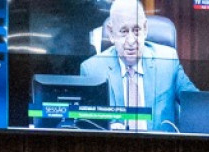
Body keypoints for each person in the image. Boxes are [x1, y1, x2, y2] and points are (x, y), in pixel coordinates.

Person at [77, 0, 199, 131]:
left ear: (145, 29)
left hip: (161, 148)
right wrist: (107, 128)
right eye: (124, 31)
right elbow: (84, 124)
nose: (131, 41)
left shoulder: (167, 62)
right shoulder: (92, 70)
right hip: (114, 149)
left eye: (136, 30)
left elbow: (199, 107)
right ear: (111, 33)